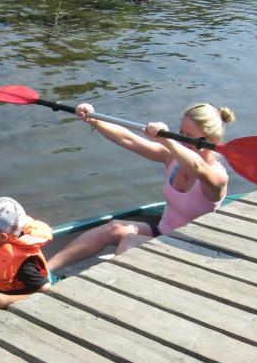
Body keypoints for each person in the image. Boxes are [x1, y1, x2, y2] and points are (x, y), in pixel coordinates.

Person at [47, 102, 235, 271]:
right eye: (180, 133)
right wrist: (93, 119)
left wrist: (166, 140)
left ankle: (109, 286)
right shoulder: (173, 158)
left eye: (189, 137)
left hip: (190, 251)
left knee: (130, 240)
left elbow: (197, 166)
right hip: (162, 233)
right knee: (114, 228)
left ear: (210, 140)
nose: (180, 139)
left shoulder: (217, 177)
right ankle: (45, 271)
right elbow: (127, 139)